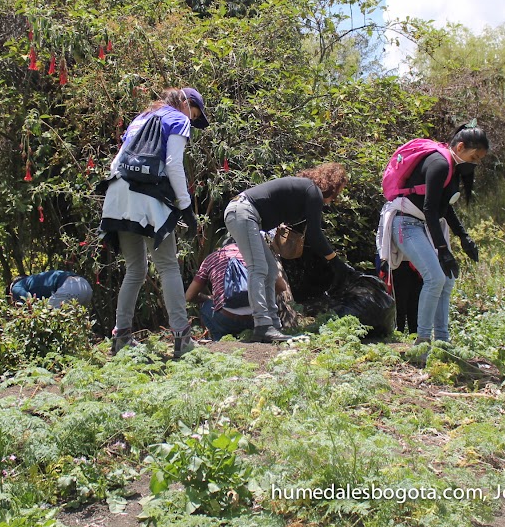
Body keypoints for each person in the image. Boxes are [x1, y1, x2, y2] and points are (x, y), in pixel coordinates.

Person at [99, 87, 210, 357]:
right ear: (186, 103)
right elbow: (173, 164)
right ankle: (183, 339)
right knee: (169, 267)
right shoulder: (177, 119)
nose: (192, 121)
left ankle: (121, 337)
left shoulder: (142, 117)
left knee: (135, 269)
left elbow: (117, 162)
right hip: (148, 200)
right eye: (194, 114)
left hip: (117, 196)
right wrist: (185, 207)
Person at [377, 124, 489, 346]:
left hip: (421, 224)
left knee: (447, 280)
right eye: (474, 157)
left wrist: (463, 237)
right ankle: (423, 342)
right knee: (435, 278)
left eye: (479, 159)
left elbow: (444, 208)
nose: (475, 163)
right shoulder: (439, 164)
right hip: (405, 223)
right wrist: (443, 250)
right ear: (460, 146)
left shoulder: (452, 167)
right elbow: (429, 208)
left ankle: (443, 341)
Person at [224, 162, 358, 343]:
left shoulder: (305, 192)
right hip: (243, 212)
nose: (335, 198)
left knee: (271, 271)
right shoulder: (313, 192)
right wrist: (335, 261)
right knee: (259, 268)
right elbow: (314, 235)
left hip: (245, 214)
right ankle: (262, 325)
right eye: (338, 191)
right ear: (332, 185)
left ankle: (272, 324)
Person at [186, 242, 288, 341]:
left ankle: (219, 342)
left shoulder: (213, 258)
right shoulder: (256, 256)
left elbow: (189, 296)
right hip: (258, 319)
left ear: (221, 248)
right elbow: (282, 287)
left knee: (206, 306)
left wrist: (209, 297)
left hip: (226, 319)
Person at [10, 270, 93, 308]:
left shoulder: (16, 286)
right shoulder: (31, 281)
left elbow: (30, 302)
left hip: (68, 286)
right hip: (85, 285)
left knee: (50, 319)